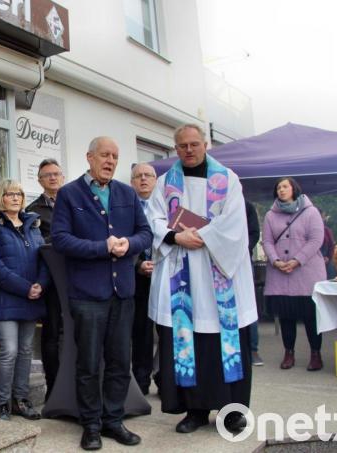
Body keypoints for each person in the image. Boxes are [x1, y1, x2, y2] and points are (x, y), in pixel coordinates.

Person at [148, 124, 257, 435]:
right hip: (181, 277)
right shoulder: (165, 182)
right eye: (182, 146)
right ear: (175, 148)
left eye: (194, 144)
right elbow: (153, 218)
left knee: (224, 344)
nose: (189, 150)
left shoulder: (228, 180)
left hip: (219, 276)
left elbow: (236, 224)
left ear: (205, 144)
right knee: (189, 344)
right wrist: (175, 236)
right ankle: (195, 411)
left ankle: (232, 413)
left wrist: (203, 235)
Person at [52, 136, 152, 450]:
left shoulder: (126, 192)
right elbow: (60, 240)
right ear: (89, 157)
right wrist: (102, 248)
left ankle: (113, 421)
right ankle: (91, 425)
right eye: (104, 155)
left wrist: (130, 245)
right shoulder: (69, 194)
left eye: (115, 156)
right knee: (89, 363)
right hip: (87, 294)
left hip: (122, 292)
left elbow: (145, 232)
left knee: (121, 361)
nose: (110, 161)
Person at [0, 180, 50, 421]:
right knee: (10, 351)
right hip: (6, 299)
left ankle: (21, 400)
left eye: (19, 194)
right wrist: (26, 288)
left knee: (25, 351)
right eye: (10, 194)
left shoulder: (33, 226)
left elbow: (45, 260)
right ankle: (2, 402)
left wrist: (41, 285)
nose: (16, 197)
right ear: (1, 197)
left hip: (32, 298)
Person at [262, 177, 327, 371]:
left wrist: (297, 260)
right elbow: (267, 241)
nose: (281, 190)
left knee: (311, 317)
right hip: (280, 273)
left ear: (294, 189)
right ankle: (288, 353)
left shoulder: (311, 212)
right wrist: (276, 261)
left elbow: (316, 239)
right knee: (286, 316)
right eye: (278, 187)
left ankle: (316, 354)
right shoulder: (270, 215)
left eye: (285, 186)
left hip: (307, 273)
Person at [25, 158, 64, 400]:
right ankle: (54, 389)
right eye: (47, 175)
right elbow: (35, 246)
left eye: (56, 174)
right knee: (51, 335)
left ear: (63, 176)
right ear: (40, 180)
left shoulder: (76, 202)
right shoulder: (32, 211)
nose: (52, 177)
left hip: (78, 278)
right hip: (51, 279)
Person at [129, 163, 158, 395]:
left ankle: (165, 379)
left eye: (148, 175)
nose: (143, 179)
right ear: (132, 182)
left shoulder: (167, 206)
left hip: (166, 275)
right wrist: (138, 264)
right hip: (137, 278)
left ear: (156, 180)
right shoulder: (126, 208)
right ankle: (141, 381)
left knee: (169, 332)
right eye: (138, 176)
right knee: (141, 332)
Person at [244, 199, 264, 366]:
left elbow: (254, 233)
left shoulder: (247, 206)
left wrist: (240, 249)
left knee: (247, 305)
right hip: (213, 260)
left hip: (241, 260)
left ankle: (253, 349)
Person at [319, 209, 337, 279]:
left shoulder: (326, 230)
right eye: (322, 217)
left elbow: (331, 246)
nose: (324, 219)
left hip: (326, 263)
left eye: (324, 217)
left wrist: (328, 257)